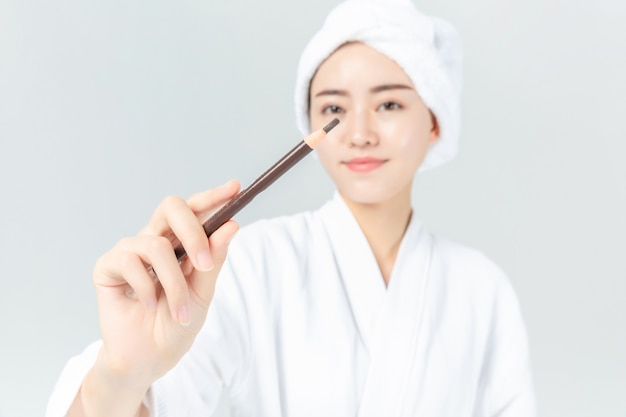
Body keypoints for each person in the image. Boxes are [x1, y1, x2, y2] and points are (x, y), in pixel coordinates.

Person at [47, 0, 536, 416]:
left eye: (389, 105)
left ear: (434, 122)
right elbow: (150, 398)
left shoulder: (483, 289)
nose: (360, 132)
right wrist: (120, 375)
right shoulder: (247, 264)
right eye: (333, 110)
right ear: (311, 127)